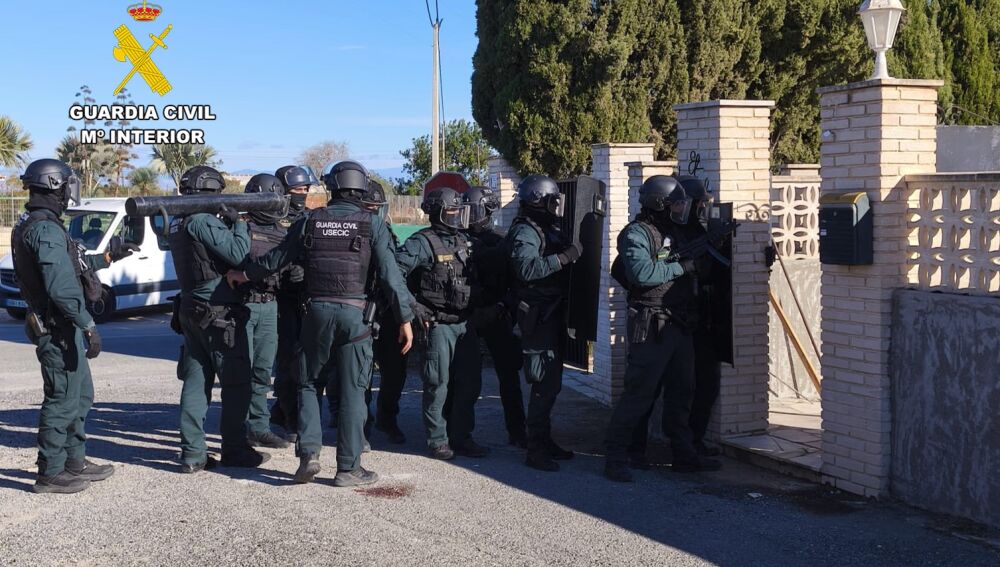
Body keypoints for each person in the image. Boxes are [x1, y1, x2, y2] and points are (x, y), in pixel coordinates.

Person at [228, 160, 414, 487]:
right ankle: (348, 468)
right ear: (361, 188)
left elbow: (275, 259)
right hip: (357, 316)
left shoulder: (311, 220)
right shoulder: (373, 224)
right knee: (354, 390)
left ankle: (309, 454)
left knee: (308, 383)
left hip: (315, 313)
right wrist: (405, 318)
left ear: (334, 187)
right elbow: (390, 276)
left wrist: (242, 274)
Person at [11, 158, 137, 494]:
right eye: (67, 183)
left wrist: (108, 258)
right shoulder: (44, 228)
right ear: (55, 185)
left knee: (80, 395)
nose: (71, 189)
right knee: (62, 399)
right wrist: (88, 324)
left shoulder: (41, 224)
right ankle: (50, 472)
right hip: (58, 327)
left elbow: (72, 266)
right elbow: (61, 287)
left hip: (61, 324)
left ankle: (73, 461)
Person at [604, 175, 722, 483]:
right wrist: (682, 267)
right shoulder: (637, 234)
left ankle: (684, 456)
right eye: (677, 204)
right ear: (660, 205)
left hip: (680, 323)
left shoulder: (676, 233)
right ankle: (616, 456)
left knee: (682, 393)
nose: (682, 209)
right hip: (651, 324)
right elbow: (642, 273)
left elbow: (700, 267)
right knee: (639, 394)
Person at [168, 165, 269, 473]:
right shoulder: (201, 221)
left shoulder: (177, 221)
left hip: (191, 307)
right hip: (218, 309)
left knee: (196, 381)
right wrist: (238, 222)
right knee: (236, 383)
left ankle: (192, 453)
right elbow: (238, 253)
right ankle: (235, 450)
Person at [397, 186, 487, 460]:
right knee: (438, 384)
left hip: (464, 323)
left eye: (459, 210)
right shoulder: (421, 242)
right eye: (451, 210)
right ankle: (437, 439)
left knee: (470, 383)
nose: (457, 215)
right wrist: (415, 309)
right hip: (437, 325)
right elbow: (395, 273)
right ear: (437, 212)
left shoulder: (465, 240)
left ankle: (462, 436)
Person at [506, 175, 580, 471]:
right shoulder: (525, 231)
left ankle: (544, 439)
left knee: (552, 383)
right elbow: (526, 268)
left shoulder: (546, 228)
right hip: (537, 317)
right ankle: (535, 448)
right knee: (542, 383)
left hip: (553, 314)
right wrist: (562, 259)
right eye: (552, 201)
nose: (556, 206)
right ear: (540, 200)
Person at [463, 186, 527, 447]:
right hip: (468, 313)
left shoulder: (503, 240)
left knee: (509, 376)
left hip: (496, 314)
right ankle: (456, 431)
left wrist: (502, 306)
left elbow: (518, 282)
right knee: (463, 376)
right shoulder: (457, 238)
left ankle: (517, 431)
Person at [239, 173, 292, 450]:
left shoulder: (283, 232)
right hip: (243, 304)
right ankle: (237, 428)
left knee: (262, 370)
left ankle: (258, 427)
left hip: (270, 304)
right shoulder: (239, 227)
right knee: (239, 370)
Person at [269, 165, 316, 441]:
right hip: (279, 299)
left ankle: (282, 409)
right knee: (288, 361)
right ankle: (290, 417)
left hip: (305, 297)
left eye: (306, 189)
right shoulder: (270, 218)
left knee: (307, 360)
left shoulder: (311, 218)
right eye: (298, 190)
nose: (303, 194)